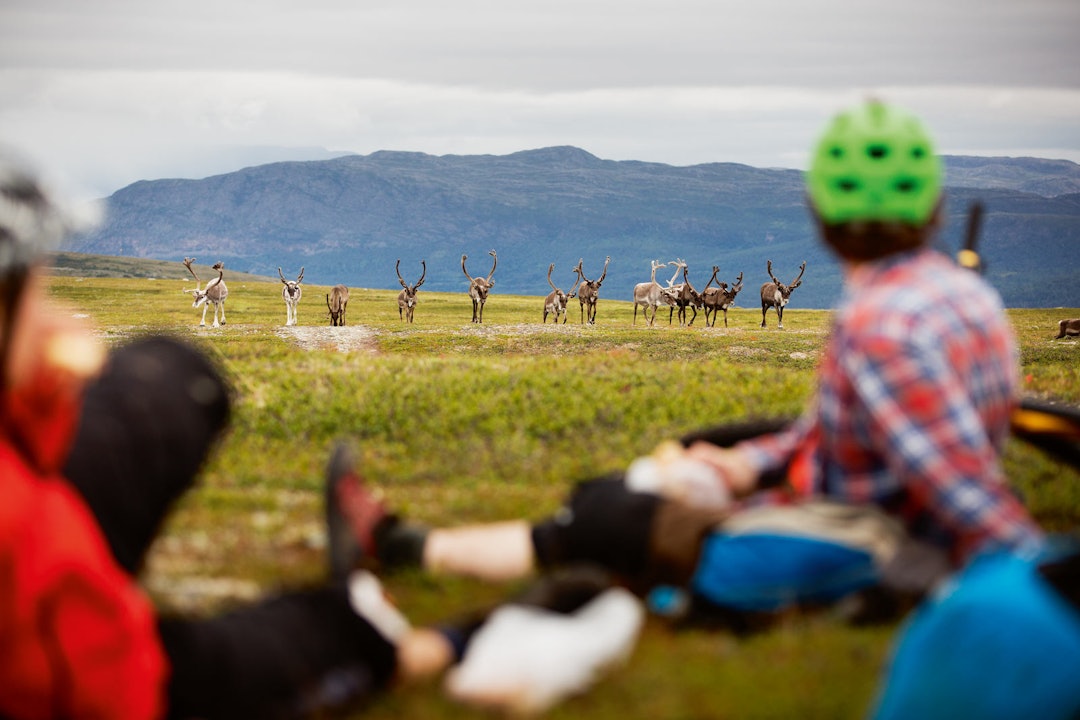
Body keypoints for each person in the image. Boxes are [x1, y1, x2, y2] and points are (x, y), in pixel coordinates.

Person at [328, 99, 1047, 624]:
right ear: (933, 210)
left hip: (854, 545)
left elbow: (957, 483)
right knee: (705, 454)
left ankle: (411, 551)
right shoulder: (972, 300)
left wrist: (1039, 577)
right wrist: (744, 465)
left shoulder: (878, 324)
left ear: (821, 217)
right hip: (854, 514)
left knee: (606, 510)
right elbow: (856, 432)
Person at [0, 151, 644, 719]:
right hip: (53, 585)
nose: (57, 319)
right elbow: (120, 689)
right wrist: (440, 644)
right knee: (329, 626)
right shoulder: (30, 569)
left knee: (177, 372)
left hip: (31, 490)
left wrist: (31, 400)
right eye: (36, 296)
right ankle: (389, 627)